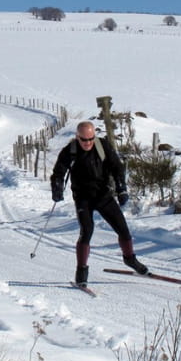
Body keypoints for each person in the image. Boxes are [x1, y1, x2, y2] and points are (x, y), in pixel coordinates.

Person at [50, 121, 147, 287]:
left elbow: (117, 167)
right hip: (83, 197)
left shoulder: (102, 146)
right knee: (87, 230)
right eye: (84, 139)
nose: (88, 143)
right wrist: (57, 188)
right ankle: (81, 271)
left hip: (103, 194)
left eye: (91, 139)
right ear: (77, 137)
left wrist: (121, 189)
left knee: (122, 228)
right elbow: (58, 172)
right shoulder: (70, 151)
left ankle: (130, 259)